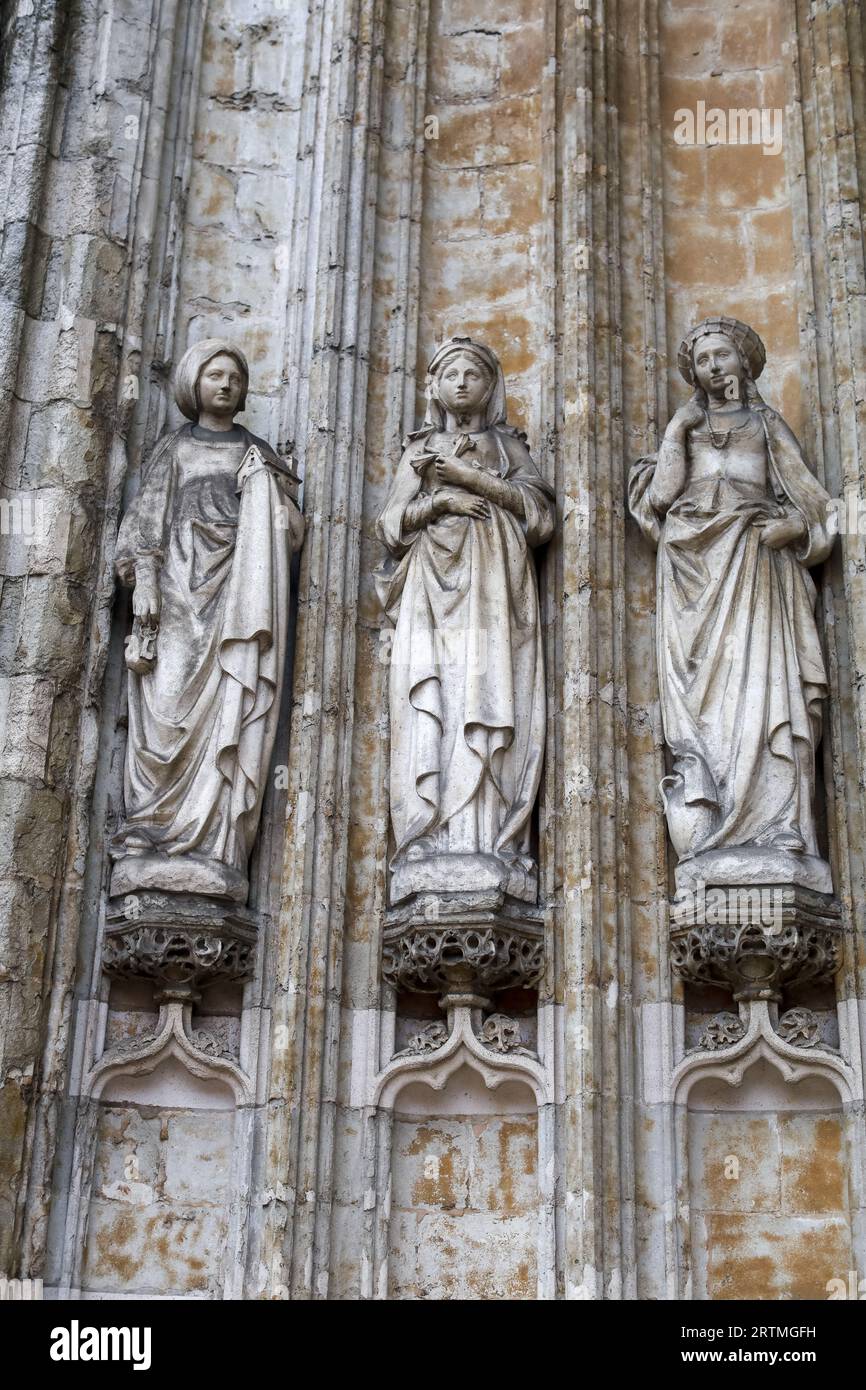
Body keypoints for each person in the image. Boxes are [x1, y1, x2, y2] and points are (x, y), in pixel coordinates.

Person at [628, 316, 834, 873]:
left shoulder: (766, 425)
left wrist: (796, 528)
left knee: (764, 690)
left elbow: (823, 507)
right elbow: (663, 496)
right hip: (694, 569)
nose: (713, 366)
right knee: (706, 706)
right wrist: (677, 427)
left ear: (745, 362)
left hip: (756, 563)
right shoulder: (687, 429)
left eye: (722, 354)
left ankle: (778, 824)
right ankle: (712, 829)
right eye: (702, 360)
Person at [110, 338, 304, 903]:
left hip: (235, 610)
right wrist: (144, 581)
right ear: (194, 384)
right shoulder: (175, 450)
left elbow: (290, 535)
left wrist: (264, 493)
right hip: (175, 604)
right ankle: (150, 830)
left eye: (235, 378)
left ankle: (214, 844)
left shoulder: (260, 456)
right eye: (215, 375)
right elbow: (143, 528)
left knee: (229, 713)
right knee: (164, 711)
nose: (225, 385)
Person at [376, 336, 555, 904]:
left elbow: (541, 518)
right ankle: (429, 831)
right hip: (432, 589)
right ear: (435, 387)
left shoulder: (506, 447)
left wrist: (473, 478)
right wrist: (441, 501)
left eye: (472, 374)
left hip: (494, 591)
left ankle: (488, 835)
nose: (461, 383)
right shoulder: (420, 450)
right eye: (449, 373)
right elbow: (390, 524)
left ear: (490, 386)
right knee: (437, 700)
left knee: (486, 694)